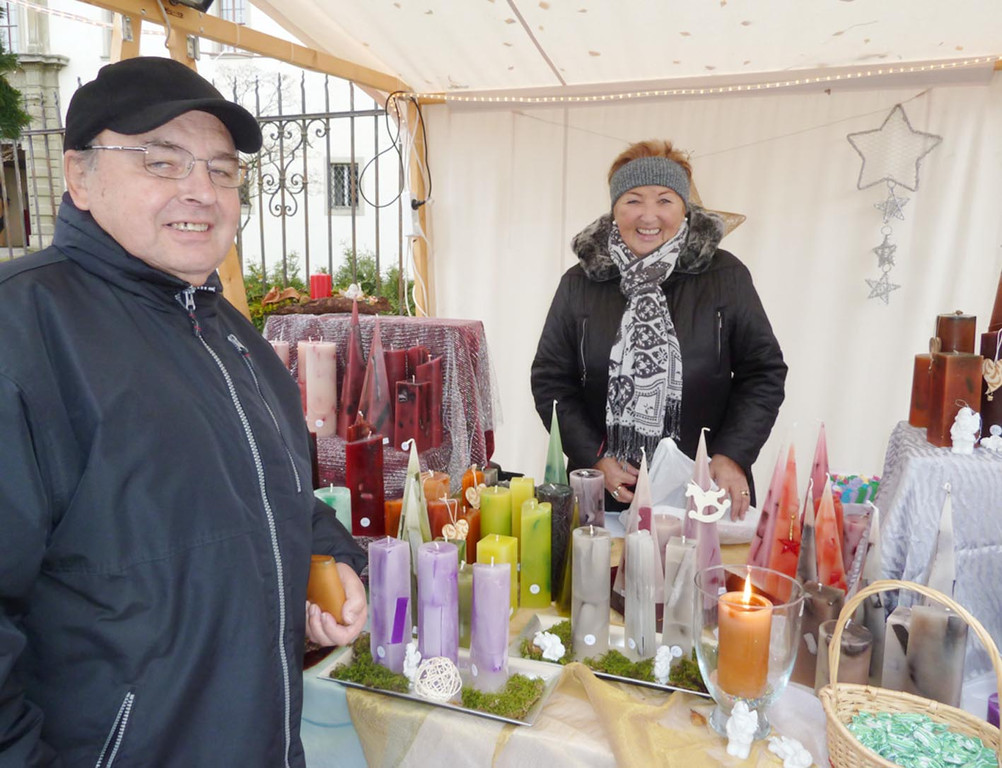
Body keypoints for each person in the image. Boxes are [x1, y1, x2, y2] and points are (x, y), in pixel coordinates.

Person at [0, 57, 367, 767]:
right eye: (161, 161)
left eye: (222, 170)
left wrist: (331, 563)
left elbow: (279, 503)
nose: (201, 190)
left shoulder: (237, 340)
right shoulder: (24, 332)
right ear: (80, 176)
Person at [531, 139, 786, 519]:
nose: (648, 216)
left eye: (664, 200)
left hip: (705, 484)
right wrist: (594, 457)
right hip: (608, 489)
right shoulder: (580, 282)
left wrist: (732, 454)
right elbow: (551, 379)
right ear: (615, 209)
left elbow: (763, 373)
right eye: (633, 200)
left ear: (684, 208)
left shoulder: (724, 275)